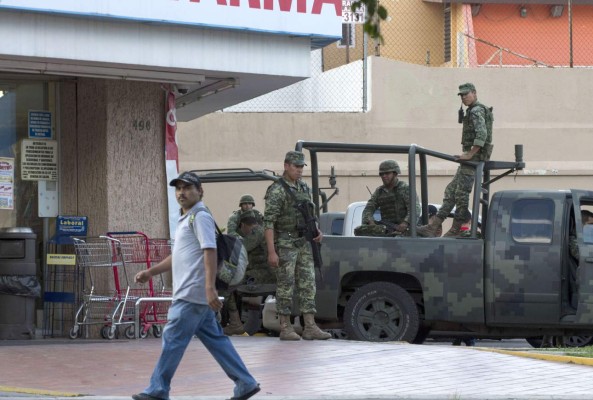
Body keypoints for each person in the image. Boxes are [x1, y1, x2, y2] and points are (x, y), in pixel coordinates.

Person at [132, 171, 260, 400]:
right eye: (178, 188)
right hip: (196, 294)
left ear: (200, 191)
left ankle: (158, 389)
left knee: (172, 339)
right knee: (216, 341)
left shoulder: (200, 216)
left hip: (192, 293)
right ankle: (245, 383)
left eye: (187, 188)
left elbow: (209, 250)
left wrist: (209, 288)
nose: (181, 193)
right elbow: (178, 256)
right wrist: (150, 272)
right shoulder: (187, 218)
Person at [263, 150, 331, 341]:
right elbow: (268, 222)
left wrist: (317, 230)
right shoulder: (277, 190)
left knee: (308, 284)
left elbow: (310, 213)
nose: (299, 170)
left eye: (301, 166)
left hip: (304, 243)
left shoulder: (303, 187)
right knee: (286, 285)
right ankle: (285, 327)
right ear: (286, 166)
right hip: (286, 242)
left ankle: (309, 326)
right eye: (296, 166)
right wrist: (271, 251)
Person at [418, 83, 493, 238]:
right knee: (451, 190)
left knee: (461, 193)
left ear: (474, 93)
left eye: (466, 94)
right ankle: (434, 225)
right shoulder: (473, 110)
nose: (464, 97)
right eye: (461, 95)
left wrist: (470, 154)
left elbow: (482, 134)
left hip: (474, 159)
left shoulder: (477, 110)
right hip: (471, 158)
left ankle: (457, 227)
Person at [223, 210, 275, 336]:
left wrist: (232, 232)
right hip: (259, 272)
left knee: (227, 284)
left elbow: (242, 247)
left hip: (262, 274)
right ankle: (235, 322)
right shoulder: (260, 230)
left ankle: (235, 323)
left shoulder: (257, 232)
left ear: (243, 225)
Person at [361, 159, 420, 235]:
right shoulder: (379, 191)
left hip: (405, 232)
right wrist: (370, 222)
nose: (384, 176)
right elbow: (368, 209)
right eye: (382, 174)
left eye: (387, 173)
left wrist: (405, 223)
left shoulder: (405, 188)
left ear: (395, 173)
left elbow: (415, 209)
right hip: (387, 231)